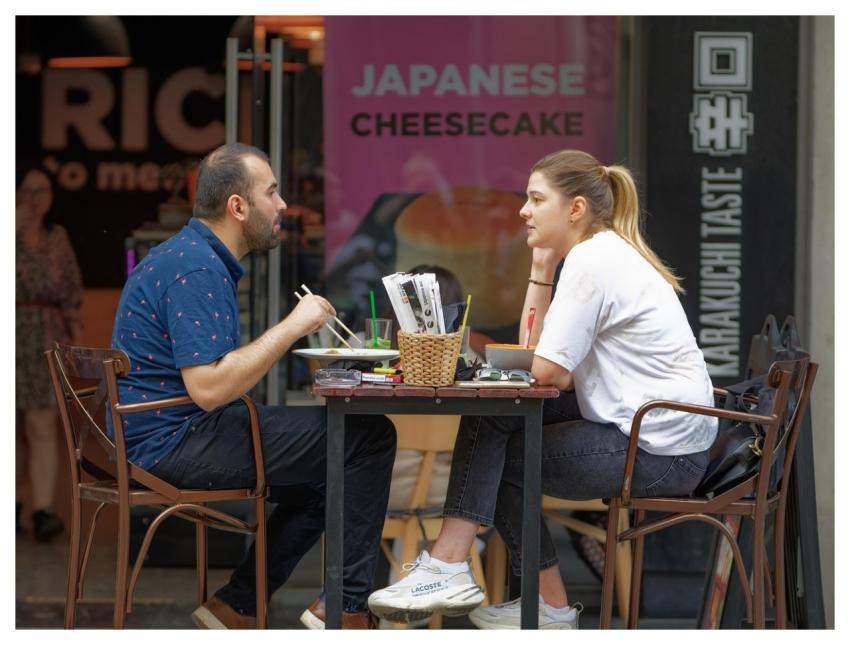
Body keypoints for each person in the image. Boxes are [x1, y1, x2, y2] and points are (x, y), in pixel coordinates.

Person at [367, 149, 718, 629]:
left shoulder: (595, 260)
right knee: (496, 414)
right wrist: (542, 265)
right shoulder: (594, 254)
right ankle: (458, 569)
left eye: (536, 199)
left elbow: (547, 371)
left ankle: (479, 577)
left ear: (574, 209)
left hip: (661, 450)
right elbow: (536, 356)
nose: (522, 210)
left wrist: (542, 297)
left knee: (511, 454)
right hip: (648, 432)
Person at [111, 142, 396, 629]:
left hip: (155, 434)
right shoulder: (196, 267)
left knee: (328, 468)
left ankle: (238, 605)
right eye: (272, 192)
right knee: (367, 436)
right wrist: (292, 327)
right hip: (171, 441)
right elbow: (207, 388)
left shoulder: (189, 254)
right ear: (237, 207)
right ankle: (348, 610)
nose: (283, 205)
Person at [16, 166, 83, 542]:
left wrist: (75, 336)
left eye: (42, 190)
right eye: (28, 189)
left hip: (44, 336)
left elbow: (72, 289)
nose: (35, 198)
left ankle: (42, 508)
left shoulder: (57, 238)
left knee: (42, 426)